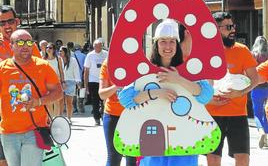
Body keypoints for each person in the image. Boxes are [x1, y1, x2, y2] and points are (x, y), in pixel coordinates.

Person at [118, 19, 214, 166]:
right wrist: (155, 93)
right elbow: (126, 99)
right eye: (163, 41)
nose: (168, 46)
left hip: (184, 142)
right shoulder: (145, 71)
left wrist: (178, 79)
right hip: (153, 142)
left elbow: (205, 95)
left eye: (172, 41)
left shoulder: (188, 69)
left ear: (177, 44)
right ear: (156, 44)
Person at [0, 29, 63, 166]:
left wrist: (38, 102)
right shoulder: (3, 68)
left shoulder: (43, 66)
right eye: (20, 42)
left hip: (34, 130)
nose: (25, 46)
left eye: (29, 42)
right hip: (8, 133)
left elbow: (58, 92)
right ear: (11, 46)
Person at [206, 12, 259, 166]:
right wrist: (208, 97)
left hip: (238, 114)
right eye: (228, 27)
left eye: (233, 26)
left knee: (243, 158)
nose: (233, 30)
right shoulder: (206, 52)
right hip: (212, 113)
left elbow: (255, 79)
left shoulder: (242, 50)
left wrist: (239, 93)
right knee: (213, 158)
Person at [0, 5, 41, 166]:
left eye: (10, 21)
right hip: (4, 119)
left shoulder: (30, 46)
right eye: (2, 23)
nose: (7, 26)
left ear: (17, 21)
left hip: (30, 119)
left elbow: (42, 79)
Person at [99, 59, 136, 166]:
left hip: (134, 115)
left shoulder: (137, 61)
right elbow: (102, 94)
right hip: (112, 115)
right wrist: (117, 86)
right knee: (114, 156)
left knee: (133, 156)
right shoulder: (107, 63)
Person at [84, 37, 108, 125]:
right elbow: (86, 70)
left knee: (105, 100)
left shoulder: (106, 54)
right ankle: (96, 118)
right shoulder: (90, 55)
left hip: (104, 80)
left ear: (102, 46)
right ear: (94, 47)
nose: (98, 48)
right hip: (93, 81)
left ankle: (104, 116)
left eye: (99, 46)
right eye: (96, 46)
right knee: (95, 101)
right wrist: (86, 85)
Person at [250, 36, 268, 148]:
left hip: (256, 87)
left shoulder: (252, 54)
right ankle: (266, 135)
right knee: (266, 112)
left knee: (257, 113)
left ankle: (261, 132)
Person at [59, 46, 81, 123]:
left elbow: (76, 70)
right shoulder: (58, 60)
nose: (59, 52)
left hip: (71, 82)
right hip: (61, 81)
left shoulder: (73, 60)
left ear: (65, 52)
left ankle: (69, 118)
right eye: (59, 51)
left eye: (61, 51)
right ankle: (60, 118)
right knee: (60, 101)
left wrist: (78, 82)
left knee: (69, 102)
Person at [44, 42, 65, 117]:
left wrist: (63, 82)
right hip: (46, 83)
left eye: (50, 48)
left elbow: (61, 71)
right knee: (49, 102)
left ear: (54, 50)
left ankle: (56, 118)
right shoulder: (43, 59)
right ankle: (51, 118)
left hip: (56, 81)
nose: (48, 49)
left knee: (57, 101)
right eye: (47, 48)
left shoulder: (58, 59)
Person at [73, 44, 86, 113]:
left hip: (74, 77)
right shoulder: (84, 56)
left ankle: (75, 108)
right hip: (81, 77)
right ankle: (81, 106)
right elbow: (85, 67)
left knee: (74, 93)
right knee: (81, 92)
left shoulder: (72, 56)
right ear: (80, 49)